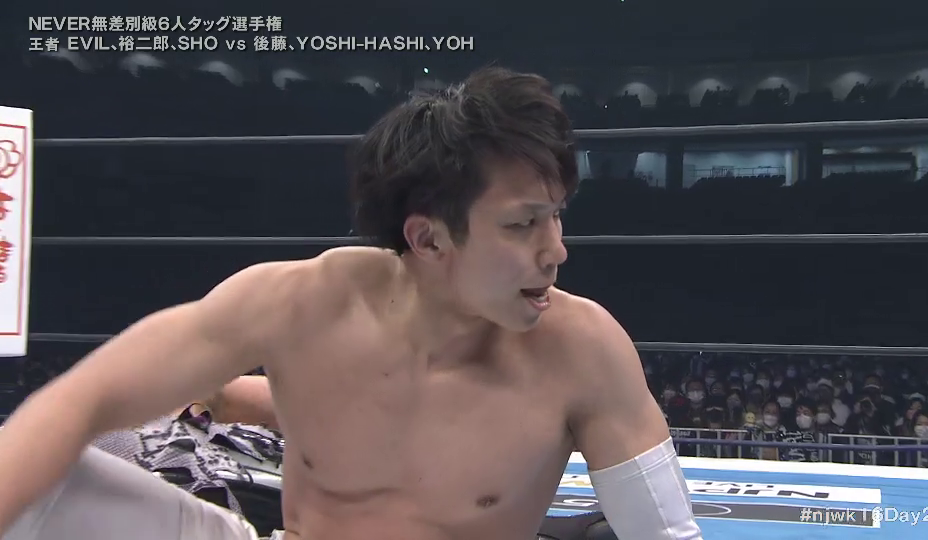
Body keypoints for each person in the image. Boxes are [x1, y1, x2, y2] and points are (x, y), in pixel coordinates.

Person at [0, 67, 701, 540]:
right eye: (524, 225)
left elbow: (667, 534)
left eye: (556, 216)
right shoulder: (296, 303)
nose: (556, 251)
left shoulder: (583, 351)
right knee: (37, 475)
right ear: (428, 239)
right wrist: (232, 395)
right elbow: (83, 399)